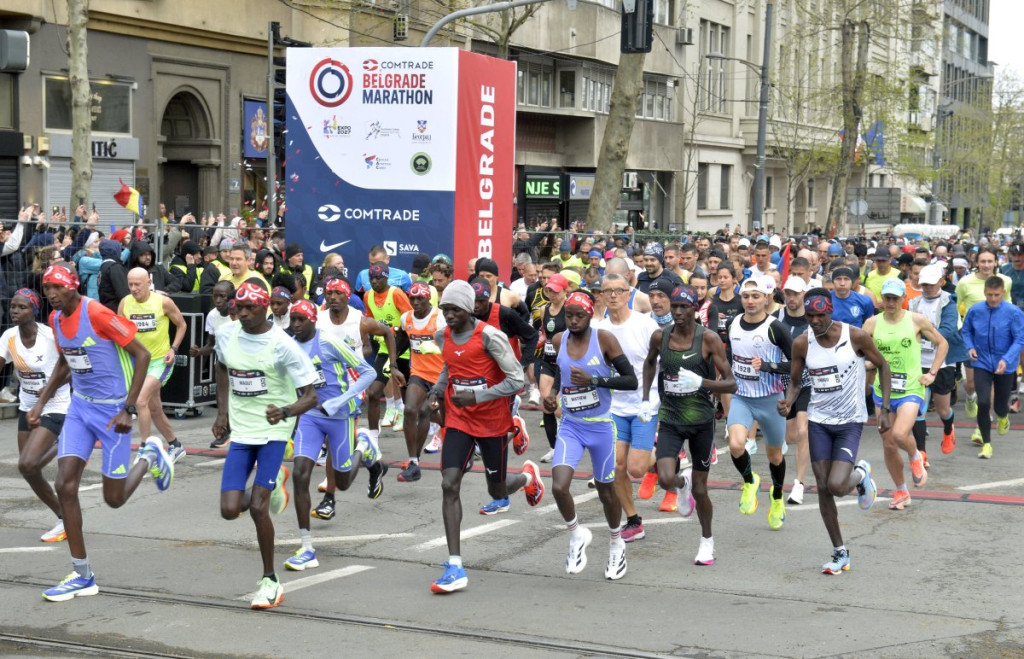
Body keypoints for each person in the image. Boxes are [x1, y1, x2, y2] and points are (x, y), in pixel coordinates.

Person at [31, 264, 172, 602]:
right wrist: (42, 401)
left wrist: (129, 409)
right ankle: (82, 575)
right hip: (80, 408)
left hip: (112, 412)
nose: (51, 294)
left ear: (73, 286)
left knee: (114, 499)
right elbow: (66, 361)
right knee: (64, 486)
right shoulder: (55, 319)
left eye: (57, 287)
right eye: (47, 288)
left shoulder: (96, 313)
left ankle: (149, 455)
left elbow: (141, 354)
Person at [427, 281, 544, 593]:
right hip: (459, 418)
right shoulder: (442, 336)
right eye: (444, 309)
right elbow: (450, 365)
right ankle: (455, 564)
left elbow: (517, 381)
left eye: (454, 309)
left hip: (492, 420)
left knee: (497, 490)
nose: (448, 315)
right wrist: (438, 390)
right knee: (449, 483)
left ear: (468, 309)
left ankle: (527, 477)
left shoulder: (491, 336)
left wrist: (477, 396)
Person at [213, 283, 319, 609]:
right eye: (239, 308)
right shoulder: (227, 335)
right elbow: (222, 366)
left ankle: (270, 580)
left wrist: (285, 411)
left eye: (250, 309)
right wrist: (222, 412)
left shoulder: (282, 345)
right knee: (229, 509)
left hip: (274, 430)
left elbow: (311, 396)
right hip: (243, 430)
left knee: (258, 507)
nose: (243, 314)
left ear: (265, 309)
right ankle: (273, 485)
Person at [778, 289, 891, 574]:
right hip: (819, 420)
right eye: (810, 315)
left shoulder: (855, 336)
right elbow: (796, 382)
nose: (815, 321)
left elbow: (883, 365)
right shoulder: (802, 343)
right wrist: (788, 402)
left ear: (830, 311)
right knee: (823, 486)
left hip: (850, 421)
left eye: (820, 315)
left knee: (838, 486)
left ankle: (861, 474)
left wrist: (885, 408)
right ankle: (840, 552)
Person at [541, 290, 637, 580]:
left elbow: (630, 380)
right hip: (571, 425)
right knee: (559, 486)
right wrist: (553, 394)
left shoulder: (604, 339)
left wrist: (595, 379)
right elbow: (561, 371)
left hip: (601, 427)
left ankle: (616, 543)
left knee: (606, 491)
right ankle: (576, 535)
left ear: (590, 315)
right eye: (569, 315)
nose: (573, 321)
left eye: (579, 316)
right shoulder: (559, 340)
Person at [641, 285, 735, 566]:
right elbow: (649, 364)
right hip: (671, 418)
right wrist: (645, 399)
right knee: (665, 478)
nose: (679, 312)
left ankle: (707, 541)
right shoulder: (660, 336)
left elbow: (731, 383)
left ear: (695, 309)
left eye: (685, 307)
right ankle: (681, 484)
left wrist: (702, 383)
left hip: (701, 422)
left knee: (701, 490)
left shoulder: (708, 339)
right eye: (675, 307)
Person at [284, 300, 377, 571]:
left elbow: (368, 372)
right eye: (293, 319)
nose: (296, 325)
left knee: (343, 482)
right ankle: (306, 547)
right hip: (310, 416)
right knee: (300, 474)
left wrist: (340, 401)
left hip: (340, 416)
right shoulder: (289, 345)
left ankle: (364, 447)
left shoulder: (328, 342)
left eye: (301, 320)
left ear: (313, 320)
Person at [313, 276, 403, 517]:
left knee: (333, 435)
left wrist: (393, 365)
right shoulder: (319, 320)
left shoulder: (360, 321)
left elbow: (388, 333)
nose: (333, 297)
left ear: (348, 296)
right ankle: (373, 463)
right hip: (327, 383)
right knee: (335, 437)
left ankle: (329, 499)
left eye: (338, 293)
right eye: (329, 293)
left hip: (353, 384)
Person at [863, 278, 947, 510]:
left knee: (900, 434)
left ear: (903, 299)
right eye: (887, 298)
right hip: (883, 391)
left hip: (910, 388)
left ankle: (915, 455)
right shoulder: (871, 323)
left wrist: (932, 373)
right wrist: (869, 364)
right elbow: (862, 353)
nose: (890, 302)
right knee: (888, 443)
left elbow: (942, 344)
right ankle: (901, 491)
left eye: (895, 298)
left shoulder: (916, 320)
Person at [594, 273, 660, 542]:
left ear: (628, 293)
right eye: (607, 291)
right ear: (601, 295)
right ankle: (634, 520)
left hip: (646, 404)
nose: (613, 295)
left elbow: (660, 364)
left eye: (618, 290)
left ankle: (662, 458)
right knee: (615, 466)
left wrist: (660, 400)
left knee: (636, 469)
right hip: (615, 407)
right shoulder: (599, 329)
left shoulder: (645, 324)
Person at [3, 289, 70, 543]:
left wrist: (50, 388)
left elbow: (73, 368)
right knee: (28, 469)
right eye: (13, 306)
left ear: (34, 310)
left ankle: (66, 444)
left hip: (56, 405)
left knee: (29, 464)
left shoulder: (50, 336)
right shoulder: (9, 337)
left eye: (22, 307)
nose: (15, 311)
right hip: (28, 406)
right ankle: (64, 517)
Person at [726, 276, 793, 530]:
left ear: (767, 298)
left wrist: (768, 366)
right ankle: (749, 480)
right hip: (742, 397)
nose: (750, 301)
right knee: (736, 444)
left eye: (756, 296)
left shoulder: (776, 328)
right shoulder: (734, 323)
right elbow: (731, 356)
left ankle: (777, 497)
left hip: (770, 399)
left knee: (775, 456)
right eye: (746, 296)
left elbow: (797, 363)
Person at [119, 268, 188, 462]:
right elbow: (120, 331)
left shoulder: (163, 302)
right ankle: (175, 445)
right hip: (138, 362)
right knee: (154, 408)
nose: (134, 288)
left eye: (138, 284)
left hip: (160, 361)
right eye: (130, 284)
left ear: (148, 283)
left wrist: (173, 349)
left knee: (141, 401)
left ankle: (145, 448)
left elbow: (182, 324)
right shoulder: (125, 303)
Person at [961, 276, 1024, 459]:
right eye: (989, 295)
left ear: (1003, 292)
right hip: (981, 361)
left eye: (997, 295)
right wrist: (970, 347)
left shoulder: (1014, 312)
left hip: (1005, 364)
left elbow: (1020, 339)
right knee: (983, 402)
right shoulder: (975, 310)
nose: (993, 299)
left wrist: (1007, 359)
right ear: (984, 292)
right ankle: (987, 444)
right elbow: (966, 331)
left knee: (1000, 406)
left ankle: (1003, 417)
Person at [909, 264, 968, 458]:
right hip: (919, 362)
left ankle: (949, 430)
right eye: (924, 284)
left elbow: (948, 331)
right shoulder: (914, 303)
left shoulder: (948, 302)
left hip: (942, 363)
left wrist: (922, 335)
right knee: (919, 409)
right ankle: (921, 454)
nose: (927, 288)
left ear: (941, 282)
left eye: (931, 284)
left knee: (943, 409)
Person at [394, 282, 446, 482]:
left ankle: (467, 435)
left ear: (428, 299)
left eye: (420, 299)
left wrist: (436, 348)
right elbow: (400, 342)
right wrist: (392, 364)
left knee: (431, 413)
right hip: (419, 373)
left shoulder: (440, 318)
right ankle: (413, 462)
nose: (415, 302)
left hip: (442, 375)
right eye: (412, 298)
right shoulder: (406, 318)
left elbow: (453, 343)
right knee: (410, 410)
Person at [955, 246, 1011, 419]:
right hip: (972, 338)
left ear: (996, 262)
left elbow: (1008, 305)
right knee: (971, 383)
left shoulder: (1005, 281)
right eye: (983, 261)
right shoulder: (965, 282)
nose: (986, 265)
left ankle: (986, 416)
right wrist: (960, 326)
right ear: (976, 262)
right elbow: (955, 305)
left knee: (990, 380)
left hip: (996, 338)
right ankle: (970, 397)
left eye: (990, 261)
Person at [363, 262, 412, 432]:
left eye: (378, 278)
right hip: (384, 347)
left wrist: (394, 329)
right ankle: (375, 431)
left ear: (386, 278)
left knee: (402, 385)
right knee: (374, 391)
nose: (374, 281)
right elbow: (369, 319)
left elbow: (410, 318)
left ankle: (403, 413)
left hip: (401, 347)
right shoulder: (368, 295)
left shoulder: (396, 294)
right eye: (371, 278)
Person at [775, 276, 811, 504]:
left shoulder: (813, 320)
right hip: (782, 382)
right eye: (788, 293)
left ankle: (799, 484)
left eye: (796, 294)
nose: (791, 298)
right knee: (790, 437)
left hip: (807, 382)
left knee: (803, 431)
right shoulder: (775, 318)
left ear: (804, 295)